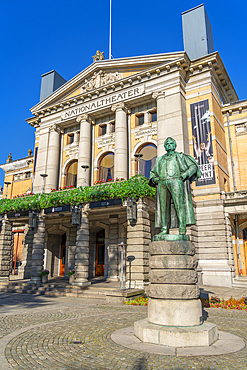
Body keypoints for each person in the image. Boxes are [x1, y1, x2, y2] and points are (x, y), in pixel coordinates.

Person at [149, 137, 201, 237]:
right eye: (167, 144)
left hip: (176, 181)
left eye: (171, 143)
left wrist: (185, 174)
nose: (169, 145)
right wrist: (155, 179)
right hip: (162, 183)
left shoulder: (180, 156)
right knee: (163, 207)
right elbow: (153, 173)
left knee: (179, 204)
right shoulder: (160, 159)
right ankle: (164, 229)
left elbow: (194, 167)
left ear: (174, 146)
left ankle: (182, 228)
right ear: (164, 147)